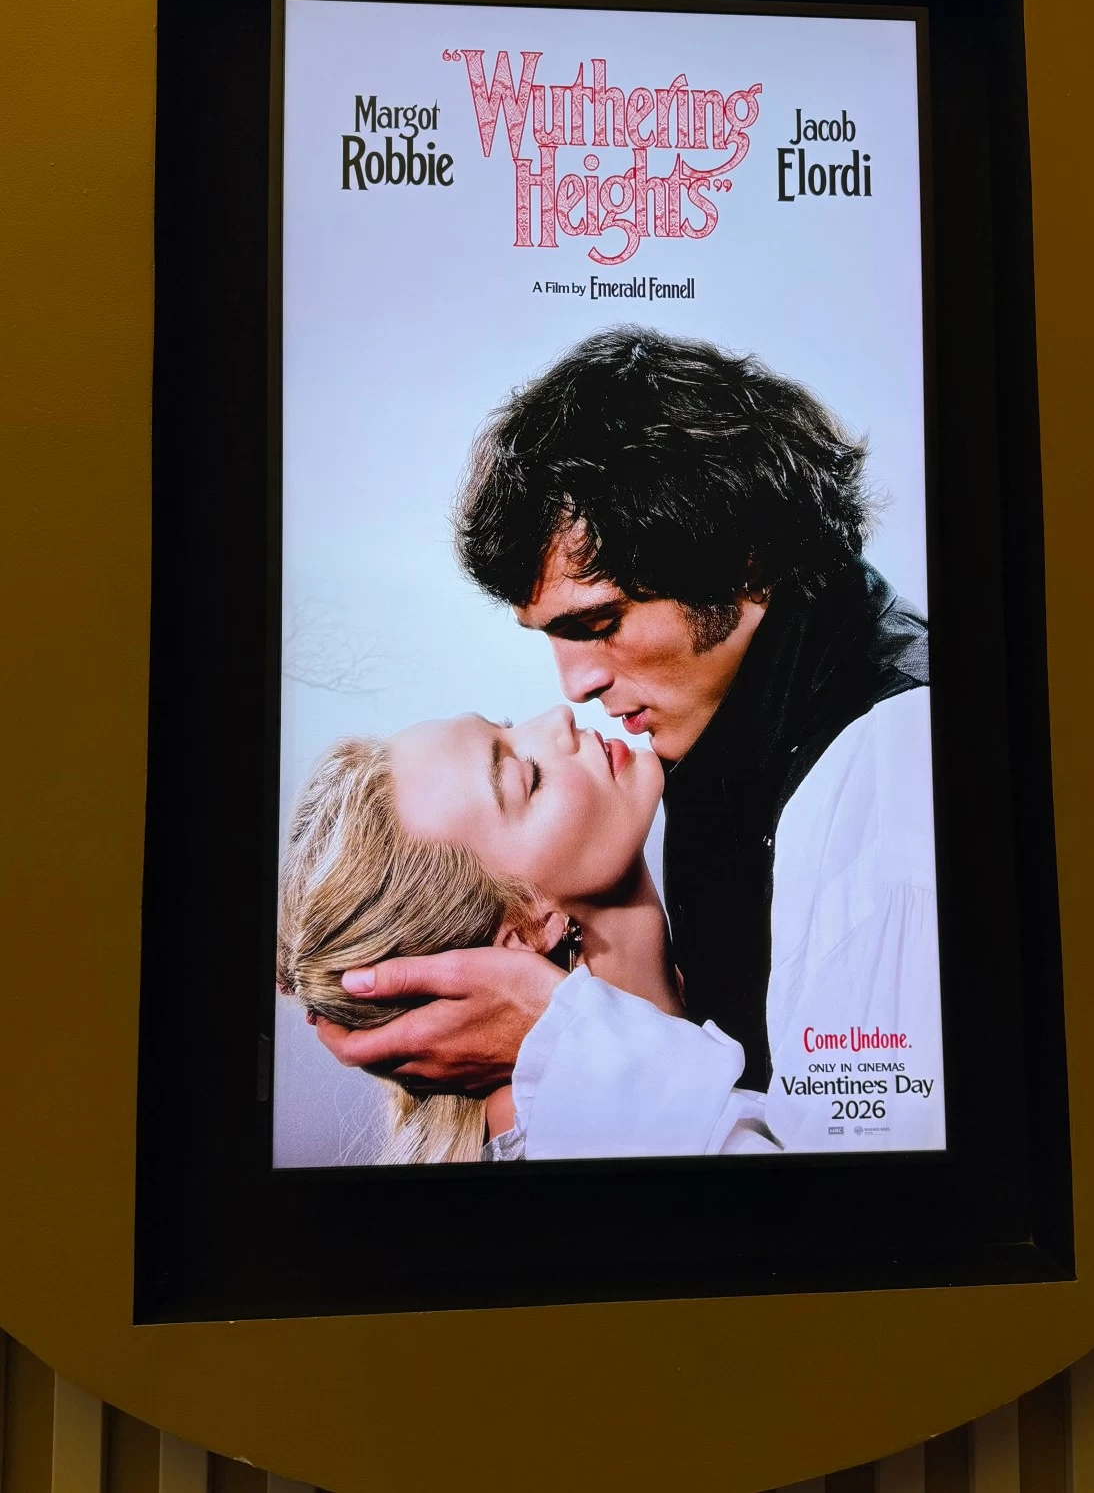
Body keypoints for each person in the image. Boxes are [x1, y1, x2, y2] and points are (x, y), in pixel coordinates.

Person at [315, 329, 944, 1157]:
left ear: (740, 556)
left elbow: (864, 1200)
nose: (572, 689)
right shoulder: (718, 752)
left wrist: (567, 1044)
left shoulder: (887, 776)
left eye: (601, 621)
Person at [280, 707, 775, 1161]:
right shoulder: (553, 1141)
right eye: (528, 778)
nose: (559, 718)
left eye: (508, 725)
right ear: (525, 929)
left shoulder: (727, 955)